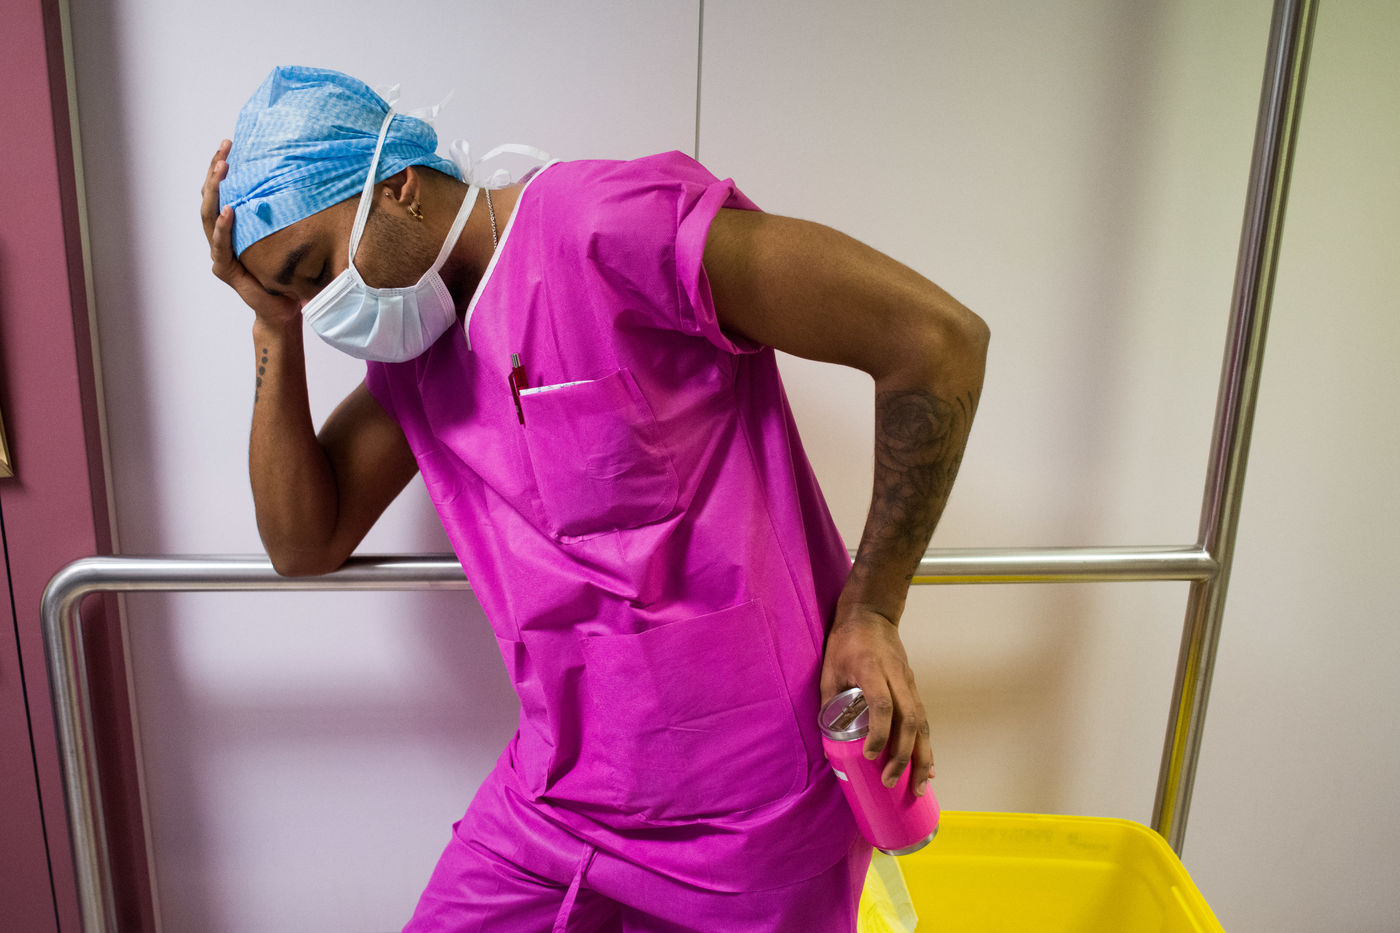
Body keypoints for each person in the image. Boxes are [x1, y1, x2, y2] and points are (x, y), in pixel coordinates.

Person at [201, 65, 988, 933]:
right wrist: (271, 327)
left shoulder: (605, 227)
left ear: (399, 188)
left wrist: (872, 610)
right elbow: (303, 542)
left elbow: (933, 341)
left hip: (752, 810)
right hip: (562, 796)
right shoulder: (414, 359)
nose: (323, 310)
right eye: (296, 297)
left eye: (314, 274)